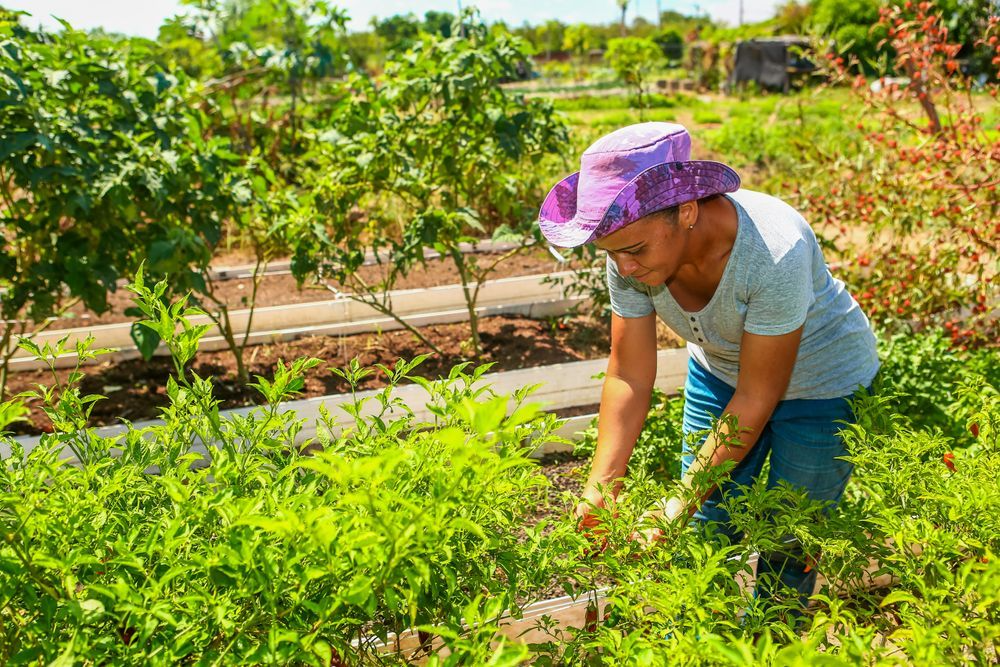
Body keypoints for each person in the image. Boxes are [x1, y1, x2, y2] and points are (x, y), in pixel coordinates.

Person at [537, 122, 880, 604]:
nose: (625, 267)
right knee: (702, 533)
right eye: (612, 254)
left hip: (823, 387)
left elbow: (758, 395)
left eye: (635, 251)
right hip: (722, 373)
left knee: (789, 537)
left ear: (688, 211)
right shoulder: (627, 254)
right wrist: (600, 486)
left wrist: (674, 502)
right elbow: (629, 372)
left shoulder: (774, 252)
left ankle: (776, 647)